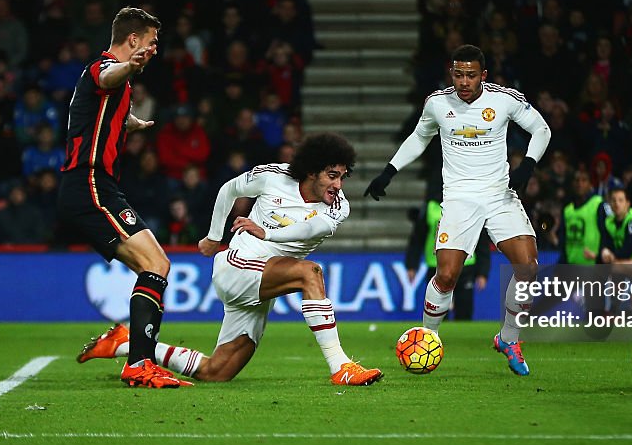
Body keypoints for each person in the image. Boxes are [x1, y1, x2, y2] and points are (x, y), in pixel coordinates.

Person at [78, 133, 382, 386]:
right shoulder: (273, 176)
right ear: (311, 171)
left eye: (343, 176)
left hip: (265, 283)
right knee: (310, 273)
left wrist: (266, 233)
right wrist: (214, 236)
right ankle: (340, 366)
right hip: (238, 265)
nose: (338, 185)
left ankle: (124, 344)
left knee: (217, 372)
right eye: (332, 176)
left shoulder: (339, 207)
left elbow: (309, 228)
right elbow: (230, 189)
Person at [365, 44, 552, 376]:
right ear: (451, 73)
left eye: (470, 75)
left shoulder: (504, 99)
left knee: (527, 268)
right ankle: (427, 337)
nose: (464, 82)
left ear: (483, 75)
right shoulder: (438, 103)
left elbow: (542, 129)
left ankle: (508, 338)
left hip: (499, 194)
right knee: (447, 275)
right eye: (458, 74)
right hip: (459, 198)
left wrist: (528, 166)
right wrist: (389, 172)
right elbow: (419, 138)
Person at [57, 7, 188, 389]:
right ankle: (138, 363)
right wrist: (128, 67)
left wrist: (128, 121)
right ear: (133, 40)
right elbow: (109, 75)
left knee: (153, 268)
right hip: (90, 184)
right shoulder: (104, 68)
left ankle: (132, 352)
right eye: (151, 42)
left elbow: (100, 106)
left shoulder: (113, 85)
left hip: (93, 186)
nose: (154, 49)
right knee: (156, 263)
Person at [405, 177, 491, 321]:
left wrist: (483, 272)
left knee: (464, 312)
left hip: (466, 265)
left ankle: (461, 340)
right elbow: (417, 238)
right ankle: (436, 339)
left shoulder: (471, 206)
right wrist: (411, 264)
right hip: (436, 266)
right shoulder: (431, 207)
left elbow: (481, 240)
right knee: (437, 313)